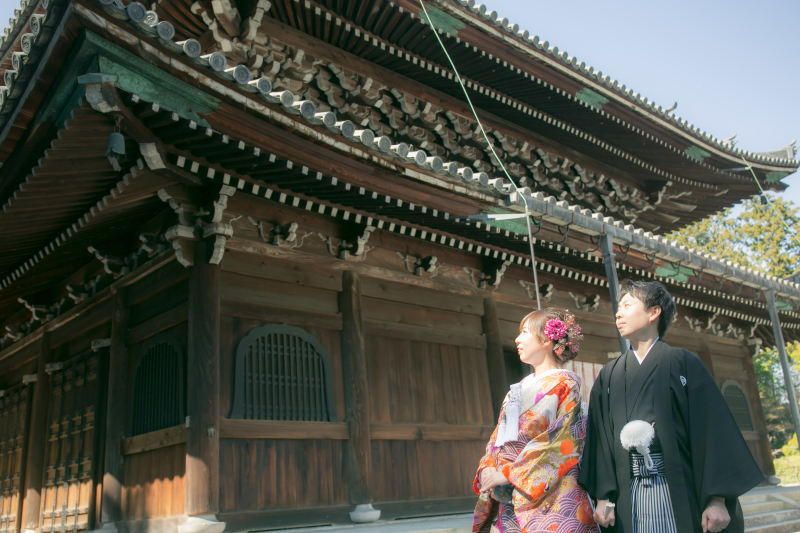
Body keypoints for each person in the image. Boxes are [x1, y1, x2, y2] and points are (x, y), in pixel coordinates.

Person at [578, 280, 764, 533]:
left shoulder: (684, 363)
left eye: (627, 306)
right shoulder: (609, 375)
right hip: (626, 496)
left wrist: (717, 499)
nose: (618, 314)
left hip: (680, 490)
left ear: (654, 312)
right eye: (618, 308)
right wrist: (603, 499)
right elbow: (601, 440)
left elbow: (713, 431)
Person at [473, 308, 599, 533]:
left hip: (548, 493)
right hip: (507, 489)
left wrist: (508, 474)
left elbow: (562, 441)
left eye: (524, 332)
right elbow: (497, 437)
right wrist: (488, 467)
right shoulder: (516, 390)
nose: (517, 339)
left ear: (546, 340)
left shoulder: (566, 385)